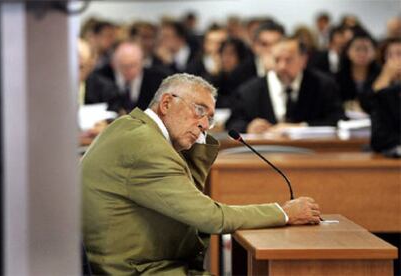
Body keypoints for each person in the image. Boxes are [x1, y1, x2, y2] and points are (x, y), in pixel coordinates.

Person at [81, 73, 322, 275]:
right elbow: (209, 217)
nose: (205, 125)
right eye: (199, 111)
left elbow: (188, 195)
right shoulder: (146, 146)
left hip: (127, 261)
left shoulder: (128, 127)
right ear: (166, 104)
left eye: (210, 118)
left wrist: (196, 142)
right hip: (137, 270)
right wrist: (283, 213)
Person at [226, 38, 345, 134]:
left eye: (288, 60)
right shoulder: (250, 91)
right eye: (277, 60)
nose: (282, 66)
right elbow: (232, 123)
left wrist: (301, 127)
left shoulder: (323, 85)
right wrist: (248, 127)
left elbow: (338, 120)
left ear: (303, 60)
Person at [98, 41, 168, 115]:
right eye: (123, 66)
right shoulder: (103, 78)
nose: (128, 70)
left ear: (142, 62)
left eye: (133, 65)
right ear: (114, 64)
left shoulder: (156, 79)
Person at [370, 38, 401, 156]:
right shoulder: (383, 92)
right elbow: (378, 139)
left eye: (399, 54)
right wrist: (386, 76)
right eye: (389, 55)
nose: (393, 60)